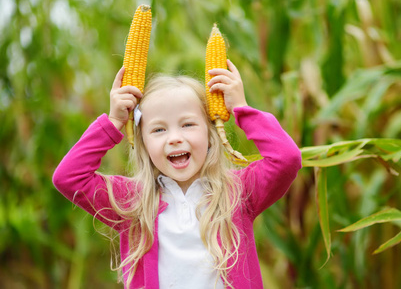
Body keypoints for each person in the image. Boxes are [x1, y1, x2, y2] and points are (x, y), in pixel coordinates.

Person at [53, 59, 302, 289]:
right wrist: (114, 122)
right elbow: (68, 177)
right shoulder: (132, 202)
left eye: (188, 124)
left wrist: (242, 109)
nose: (174, 138)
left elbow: (287, 159)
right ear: (143, 143)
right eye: (159, 129)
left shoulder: (237, 192)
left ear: (209, 133)